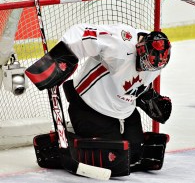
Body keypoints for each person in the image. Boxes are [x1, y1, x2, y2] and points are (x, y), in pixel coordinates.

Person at [25, 23, 172, 175]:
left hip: (123, 111)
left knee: (134, 155)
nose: (146, 68)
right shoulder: (120, 43)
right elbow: (82, 33)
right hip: (89, 105)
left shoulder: (156, 61)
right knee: (113, 159)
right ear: (140, 49)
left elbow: (135, 80)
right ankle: (66, 135)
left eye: (152, 67)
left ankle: (87, 133)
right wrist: (60, 58)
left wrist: (148, 96)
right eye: (145, 63)